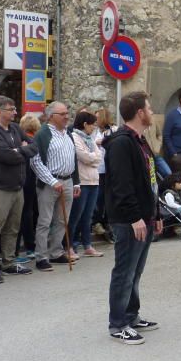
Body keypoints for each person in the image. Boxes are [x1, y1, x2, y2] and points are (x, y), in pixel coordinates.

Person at [103, 91, 162, 345]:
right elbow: (122, 185)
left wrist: (156, 213)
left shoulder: (140, 141)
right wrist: (135, 217)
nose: (151, 111)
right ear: (139, 112)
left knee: (135, 272)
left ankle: (131, 314)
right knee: (124, 272)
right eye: (148, 108)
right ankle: (118, 324)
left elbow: (150, 181)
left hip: (145, 217)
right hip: (130, 220)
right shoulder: (121, 143)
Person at [0, 96, 38, 283]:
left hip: (17, 186)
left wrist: (18, 150)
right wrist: (20, 151)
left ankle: (8, 262)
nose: (15, 112)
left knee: (13, 227)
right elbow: (6, 156)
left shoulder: (14, 128)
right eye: (11, 109)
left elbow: (34, 146)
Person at [30, 102, 80, 269]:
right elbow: (35, 162)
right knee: (45, 221)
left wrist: (76, 181)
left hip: (67, 180)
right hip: (49, 182)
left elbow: (73, 159)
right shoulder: (42, 134)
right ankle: (41, 257)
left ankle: (56, 252)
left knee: (62, 220)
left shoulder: (68, 133)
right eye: (63, 114)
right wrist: (52, 181)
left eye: (67, 113)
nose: (67, 116)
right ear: (51, 116)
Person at [69, 111, 104, 258]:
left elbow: (99, 156)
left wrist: (92, 158)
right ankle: (69, 245)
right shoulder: (74, 137)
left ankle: (87, 245)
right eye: (93, 125)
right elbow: (82, 156)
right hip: (82, 181)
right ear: (85, 124)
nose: (94, 128)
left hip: (94, 181)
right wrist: (93, 158)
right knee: (76, 214)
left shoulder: (90, 138)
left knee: (88, 215)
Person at [18, 114, 41, 262]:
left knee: (24, 213)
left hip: (24, 178)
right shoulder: (35, 140)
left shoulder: (23, 141)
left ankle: (28, 246)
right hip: (32, 179)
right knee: (30, 212)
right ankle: (30, 246)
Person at [92, 108, 117, 240]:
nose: (95, 120)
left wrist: (104, 141)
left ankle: (108, 222)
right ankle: (97, 222)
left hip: (110, 168)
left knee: (109, 197)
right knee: (99, 197)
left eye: (97, 117)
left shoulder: (114, 130)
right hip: (98, 168)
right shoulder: (95, 131)